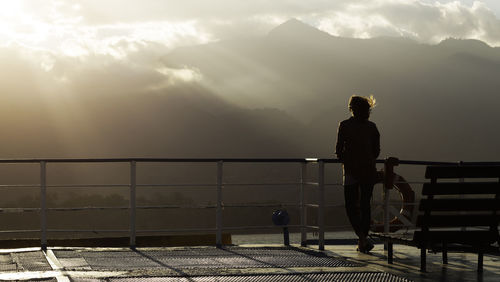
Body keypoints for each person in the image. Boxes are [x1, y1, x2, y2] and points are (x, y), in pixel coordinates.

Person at [335, 95, 380, 253]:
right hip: (368, 171)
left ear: (351, 109)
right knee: (365, 206)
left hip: (351, 172)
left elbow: (338, 150)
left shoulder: (345, 126)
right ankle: (363, 240)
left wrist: (347, 159)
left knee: (350, 206)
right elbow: (376, 151)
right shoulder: (372, 127)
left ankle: (362, 238)